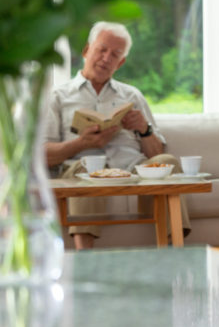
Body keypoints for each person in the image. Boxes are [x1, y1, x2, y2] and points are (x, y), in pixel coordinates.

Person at [44, 21, 186, 250]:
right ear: (87, 50)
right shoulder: (58, 97)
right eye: (102, 49)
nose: (106, 58)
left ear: (121, 62)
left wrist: (144, 129)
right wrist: (82, 143)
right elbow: (43, 155)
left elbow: (156, 152)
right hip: (81, 168)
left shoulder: (132, 95)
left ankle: (173, 254)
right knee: (87, 168)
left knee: (166, 162)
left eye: (115, 55)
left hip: (131, 170)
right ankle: (85, 260)